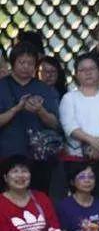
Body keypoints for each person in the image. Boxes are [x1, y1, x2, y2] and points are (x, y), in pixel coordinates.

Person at [59, 53, 99, 202]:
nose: (88, 72)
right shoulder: (69, 98)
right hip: (78, 160)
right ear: (76, 74)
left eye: (92, 68)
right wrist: (93, 142)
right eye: (83, 70)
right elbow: (70, 126)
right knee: (80, 202)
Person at [0, 41, 61, 192]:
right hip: (7, 154)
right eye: (22, 62)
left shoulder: (43, 88)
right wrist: (16, 109)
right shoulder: (2, 86)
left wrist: (40, 111)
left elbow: (56, 124)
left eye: (30, 63)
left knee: (38, 196)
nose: (26, 66)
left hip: (38, 157)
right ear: (12, 63)